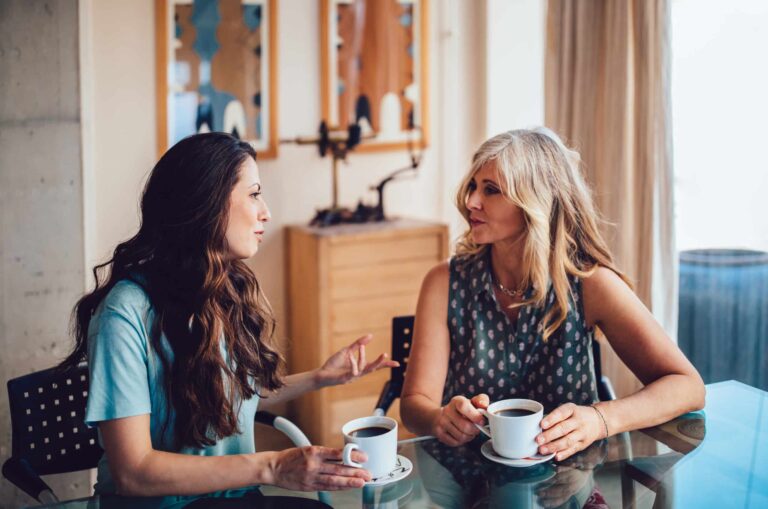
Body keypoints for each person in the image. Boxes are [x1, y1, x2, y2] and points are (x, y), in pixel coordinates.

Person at [60, 133, 397, 498]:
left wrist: (319, 377)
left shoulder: (219, 288)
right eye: (253, 194)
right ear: (207, 203)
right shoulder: (123, 314)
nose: (266, 211)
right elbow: (134, 472)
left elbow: (224, 397)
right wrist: (272, 466)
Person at [400, 127, 705, 461]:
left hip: (570, 483)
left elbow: (688, 386)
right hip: (465, 481)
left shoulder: (590, 284)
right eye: (473, 186)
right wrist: (439, 418)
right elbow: (414, 405)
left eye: (491, 190)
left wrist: (601, 418)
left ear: (536, 202)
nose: (471, 201)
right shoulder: (443, 282)